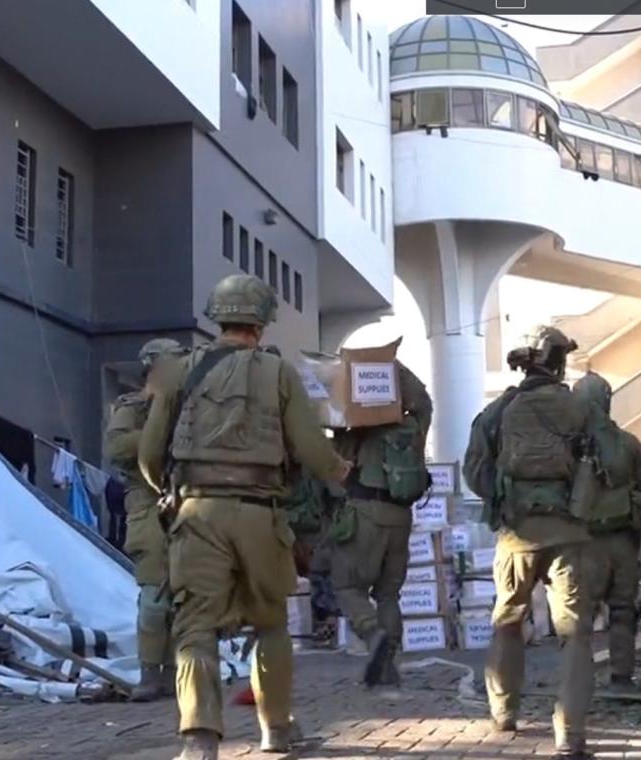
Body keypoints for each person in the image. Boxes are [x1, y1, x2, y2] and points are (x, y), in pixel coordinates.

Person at [139, 274, 351, 760]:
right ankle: (275, 731)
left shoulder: (176, 370)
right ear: (262, 321)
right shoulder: (279, 374)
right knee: (271, 622)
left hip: (196, 513)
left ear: (217, 316)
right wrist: (341, 471)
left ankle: (199, 740)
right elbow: (310, 446)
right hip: (260, 514)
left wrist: (171, 493)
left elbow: (150, 456)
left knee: (194, 625)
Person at [463, 327, 596, 760]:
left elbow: (475, 471)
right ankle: (571, 735)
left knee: (508, 619)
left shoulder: (498, 411)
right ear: (558, 362)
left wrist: (503, 499)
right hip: (569, 531)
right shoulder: (580, 407)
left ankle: (503, 712)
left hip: (516, 533)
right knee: (574, 633)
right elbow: (613, 461)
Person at [330, 363, 433, 688]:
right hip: (401, 517)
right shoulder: (414, 425)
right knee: (389, 594)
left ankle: (372, 633)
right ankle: (388, 666)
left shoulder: (357, 430)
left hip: (364, 514)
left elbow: (333, 465)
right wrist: (391, 367)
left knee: (348, 587)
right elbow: (424, 399)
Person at [103, 337, 186, 702]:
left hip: (188, 504)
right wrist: (161, 429)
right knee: (154, 595)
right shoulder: (132, 407)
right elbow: (118, 449)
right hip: (147, 505)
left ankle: (173, 673)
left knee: (185, 595)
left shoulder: (190, 408)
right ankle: (149, 673)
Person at [571, 371, 641, 690]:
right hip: (622, 540)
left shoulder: (571, 448)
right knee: (623, 611)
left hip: (584, 543)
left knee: (580, 614)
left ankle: (578, 679)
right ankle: (622, 677)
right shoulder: (628, 442)